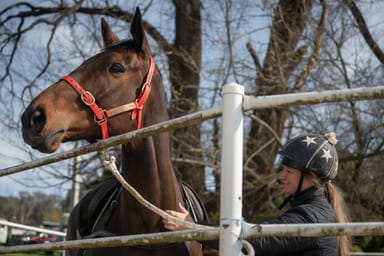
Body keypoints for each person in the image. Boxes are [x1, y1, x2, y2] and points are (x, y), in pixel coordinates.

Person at [163, 132, 350, 256]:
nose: (281, 176)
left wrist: (193, 227)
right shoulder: (317, 211)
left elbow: (254, 240)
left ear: (311, 177)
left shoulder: (309, 217)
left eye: (289, 172)